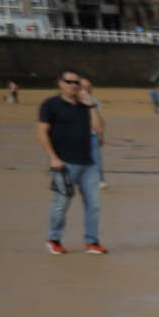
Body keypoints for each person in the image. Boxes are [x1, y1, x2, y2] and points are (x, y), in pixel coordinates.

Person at [38, 69, 104, 256]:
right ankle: (53, 239)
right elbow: (42, 132)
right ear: (60, 83)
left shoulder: (86, 106)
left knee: (94, 205)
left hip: (88, 163)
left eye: (77, 83)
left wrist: (91, 106)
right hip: (64, 163)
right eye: (69, 82)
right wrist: (53, 158)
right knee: (61, 203)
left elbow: (98, 130)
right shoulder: (50, 105)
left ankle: (92, 242)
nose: (74, 86)